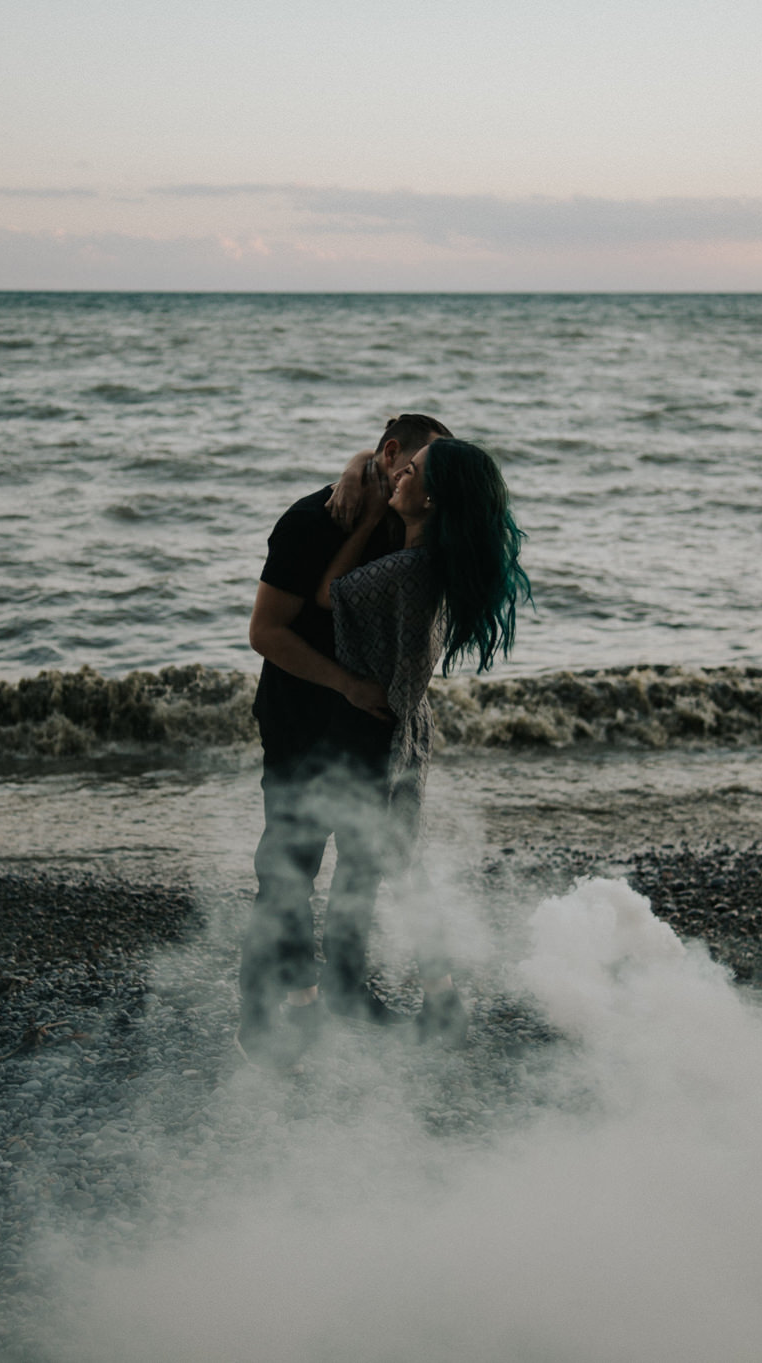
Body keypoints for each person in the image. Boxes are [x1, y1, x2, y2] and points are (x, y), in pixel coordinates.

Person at [238, 414, 452, 1069]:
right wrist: (346, 685)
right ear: (392, 454)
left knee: (362, 866)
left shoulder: (405, 519)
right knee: (289, 868)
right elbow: (266, 632)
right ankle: (268, 1007)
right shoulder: (310, 520)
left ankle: (346, 987)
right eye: (418, 465)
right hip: (303, 719)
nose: (426, 481)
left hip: (374, 731)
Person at [317, 437, 531, 1047]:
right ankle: (435, 998)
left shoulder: (411, 569)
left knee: (366, 870)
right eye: (399, 466)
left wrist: (367, 517)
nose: (397, 477)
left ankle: (355, 996)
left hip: (380, 733)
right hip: (407, 729)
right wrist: (359, 467)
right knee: (398, 868)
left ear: (431, 497)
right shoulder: (435, 561)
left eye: (408, 474)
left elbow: (330, 593)